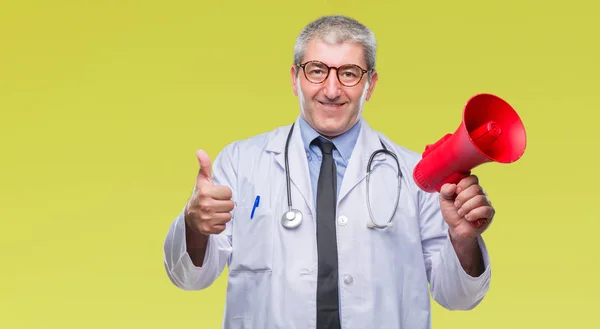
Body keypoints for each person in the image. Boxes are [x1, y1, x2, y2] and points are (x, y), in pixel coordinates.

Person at [163, 15, 494, 329]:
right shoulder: (241, 162)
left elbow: (458, 297)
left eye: (349, 73)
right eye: (317, 71)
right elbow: (189, 278)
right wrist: (195, 226)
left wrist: (462, 240)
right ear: (295, 79)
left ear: (370, 84)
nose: (332, 90)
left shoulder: (414, 175)